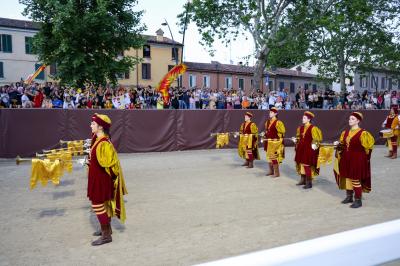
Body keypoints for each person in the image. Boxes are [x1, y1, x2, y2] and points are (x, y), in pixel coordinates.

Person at [88, 113, 128, 245]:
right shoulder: (98, 140)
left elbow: (110, 166)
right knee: (102, 204)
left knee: (97, 204)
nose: (91, 125)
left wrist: (112, 182)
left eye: (93, 124)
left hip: (101, 180)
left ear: (100, 127)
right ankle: (107, 229)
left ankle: (106, 235)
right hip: (97, 178)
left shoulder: (103, 143)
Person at [334, 112, 374, 208]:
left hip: (357, 159)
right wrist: (338, 145)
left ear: (358, 121)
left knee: (355, 179)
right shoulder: (345, 133)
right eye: (349, 118)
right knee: (348, 177)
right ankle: (349, 197)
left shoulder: (363, 133)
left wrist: (365, 160)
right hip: (346, 158)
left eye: (352, 119)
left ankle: (358, 200)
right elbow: (343, 145)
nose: (350, 120)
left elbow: (368, 148)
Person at [293, 111, 322, 189]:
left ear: (309, 119)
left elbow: (316, 140)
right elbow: (299, 137)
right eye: (303, 118)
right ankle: (303, 180)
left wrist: (313, 150)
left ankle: (309, 182)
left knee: (306, 165)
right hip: (301, 148)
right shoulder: (301, 128)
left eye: (304, 118)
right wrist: (296, 139)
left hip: (308, 149)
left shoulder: (313, 128)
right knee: (301, 163)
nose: (302, 119)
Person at [263, 107, 286, 177]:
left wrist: (278, 139)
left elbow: (282, 132)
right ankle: (271, 171)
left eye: (271, 112)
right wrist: (264, 134)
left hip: (275, 143)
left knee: (274, 157)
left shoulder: (278, 122)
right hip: (268, 141)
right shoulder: (267, 122)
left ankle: (277, 173)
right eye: (270, 112)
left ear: (275, 113)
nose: (270, 113)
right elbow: (267, 131)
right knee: (269, 156)